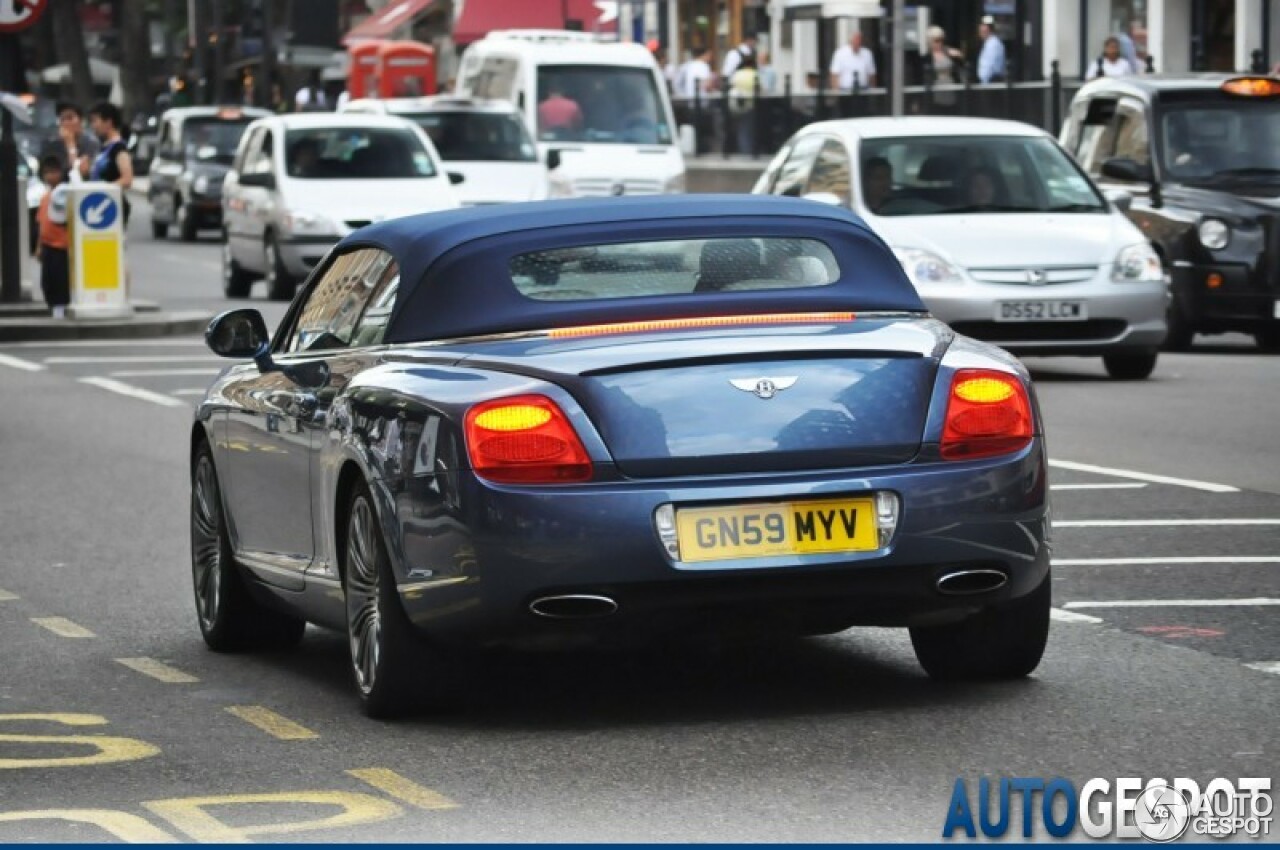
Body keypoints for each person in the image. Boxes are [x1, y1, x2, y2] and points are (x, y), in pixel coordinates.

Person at [33, 155, 71, 318]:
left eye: (53, 172)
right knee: (47, 281)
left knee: (59, 280)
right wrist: (39, 247)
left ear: (60, 173)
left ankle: (60, 308)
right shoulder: (44, 198)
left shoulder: (65, 195)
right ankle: (52, 306)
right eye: (46, 173)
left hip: (61, 245)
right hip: (47, 245)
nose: (49, 176)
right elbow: (42, 224)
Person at [86, 102, 133, 225]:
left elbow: (127, 179)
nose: (93, 126)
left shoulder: (119, 148)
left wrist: (103, 189)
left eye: (95, 121)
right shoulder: (103, 147)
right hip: (98, 203)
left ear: (108, 122)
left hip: (112, 206)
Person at [42, 102, 99, 179]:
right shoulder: (52, 145)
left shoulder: (91, 144)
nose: (66, 123)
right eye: (62, 119)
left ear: (81, 120)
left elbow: (80, 173)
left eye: (70, 118)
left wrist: (70, 143)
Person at [923, 26, 966, 108]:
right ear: (930, 41)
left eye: (941, 40)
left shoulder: (949, 53)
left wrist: (959, 56)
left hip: (951, 88)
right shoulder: (927, 57)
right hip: (936, 91)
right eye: (937, 40)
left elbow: (961, 67)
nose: (940, 43)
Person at [976, 16, 1006, 83]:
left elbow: (990, 67)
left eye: (983, 26)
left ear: (988, 29)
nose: (980, 31)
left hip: (991, 82)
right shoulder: (989, 43)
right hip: (987, 82)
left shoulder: (993, 45)